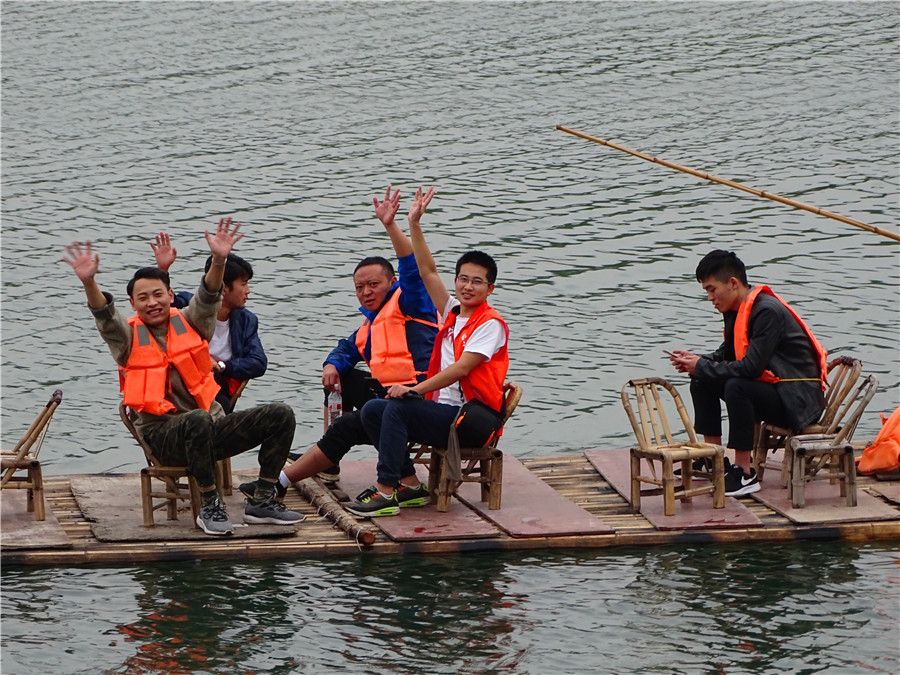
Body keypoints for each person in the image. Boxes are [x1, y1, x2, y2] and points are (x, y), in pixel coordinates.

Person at [62, 218, 304, 536]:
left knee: (281, 414)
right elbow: (106, 317)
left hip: (212, 428)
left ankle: (263, 499)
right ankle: (210, 506)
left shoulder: (190, 321)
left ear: (170, 294)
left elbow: (207, 296)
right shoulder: (128, 337)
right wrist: (89, 283)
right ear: (133, 305)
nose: (152, 302)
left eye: (158, 294)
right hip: (165, 437)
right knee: (197, 419)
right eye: (143, 298)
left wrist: (218, 260)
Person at [238, 186, 439, 501]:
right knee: (342, 394)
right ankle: (278, 484)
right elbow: (346, 348)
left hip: (423, 399)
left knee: (372, 412)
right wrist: (332, 364)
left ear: (392, 283)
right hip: (391, 402)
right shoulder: (370, 324)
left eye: (374, 284)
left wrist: (392, 225)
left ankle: (405, 483)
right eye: (360, 287)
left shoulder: (413, 302)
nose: (366, 291)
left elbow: (413, 268)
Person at [347, 186, 510, 517]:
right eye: (463, 279)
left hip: (472, 419)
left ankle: (386, 489)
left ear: (489, 288)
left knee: (397, 408)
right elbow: (426, 272)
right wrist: (412, 223)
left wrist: (413, 390)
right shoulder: (452, 313)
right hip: (445, 412)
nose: (467, 286)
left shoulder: (490, 324)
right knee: (374, 410)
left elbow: (462, 369)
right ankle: (409, 485)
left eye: (477, 282)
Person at [668, 249, 827, 496]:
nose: (710, 297)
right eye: (706, 292)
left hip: (796, 400)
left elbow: (751, 368)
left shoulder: (766, 311)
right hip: (774, 390)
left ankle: (744, 473)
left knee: (736, 385)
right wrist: (695, 362)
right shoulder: (735, 309)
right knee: (701, 378)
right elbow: (727, 354)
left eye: (712, 289)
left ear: (732, 283)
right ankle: (713, 459)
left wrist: (701, 364)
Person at [150, 232, 267, 414]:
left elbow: (258, 362)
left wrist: (221, 366)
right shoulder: (188, 305)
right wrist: (163, 271)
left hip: (217, 388)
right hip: (182, 385)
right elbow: (161, 306)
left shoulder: (246, 320)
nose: (248, 291)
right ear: (224, 288)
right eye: (243, 284)